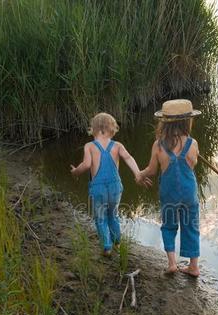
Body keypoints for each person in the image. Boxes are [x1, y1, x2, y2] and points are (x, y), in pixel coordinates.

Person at [137, 99, 201, 276]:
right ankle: (194, 266)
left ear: (164, 123)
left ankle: (172, 263)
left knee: (169, 226)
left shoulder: (158, 145)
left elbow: (151, 170)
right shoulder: (193, 144)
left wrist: (140, 175)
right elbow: (193, 164)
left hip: (169, 194)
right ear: (187, 121)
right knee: (191, 226)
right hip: (189, 193)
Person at [70, 113, 148, 256]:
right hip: (115, 187)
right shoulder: (117, 146)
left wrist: (75, 172)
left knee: (100, 217)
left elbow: (86, 164)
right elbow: (129, 158)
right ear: (112, 129)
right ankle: (117, 242)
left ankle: (107, 246)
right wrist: (138, 173)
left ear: (94, 129)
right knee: (113, 214)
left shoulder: (90, 146)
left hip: (98, 187)